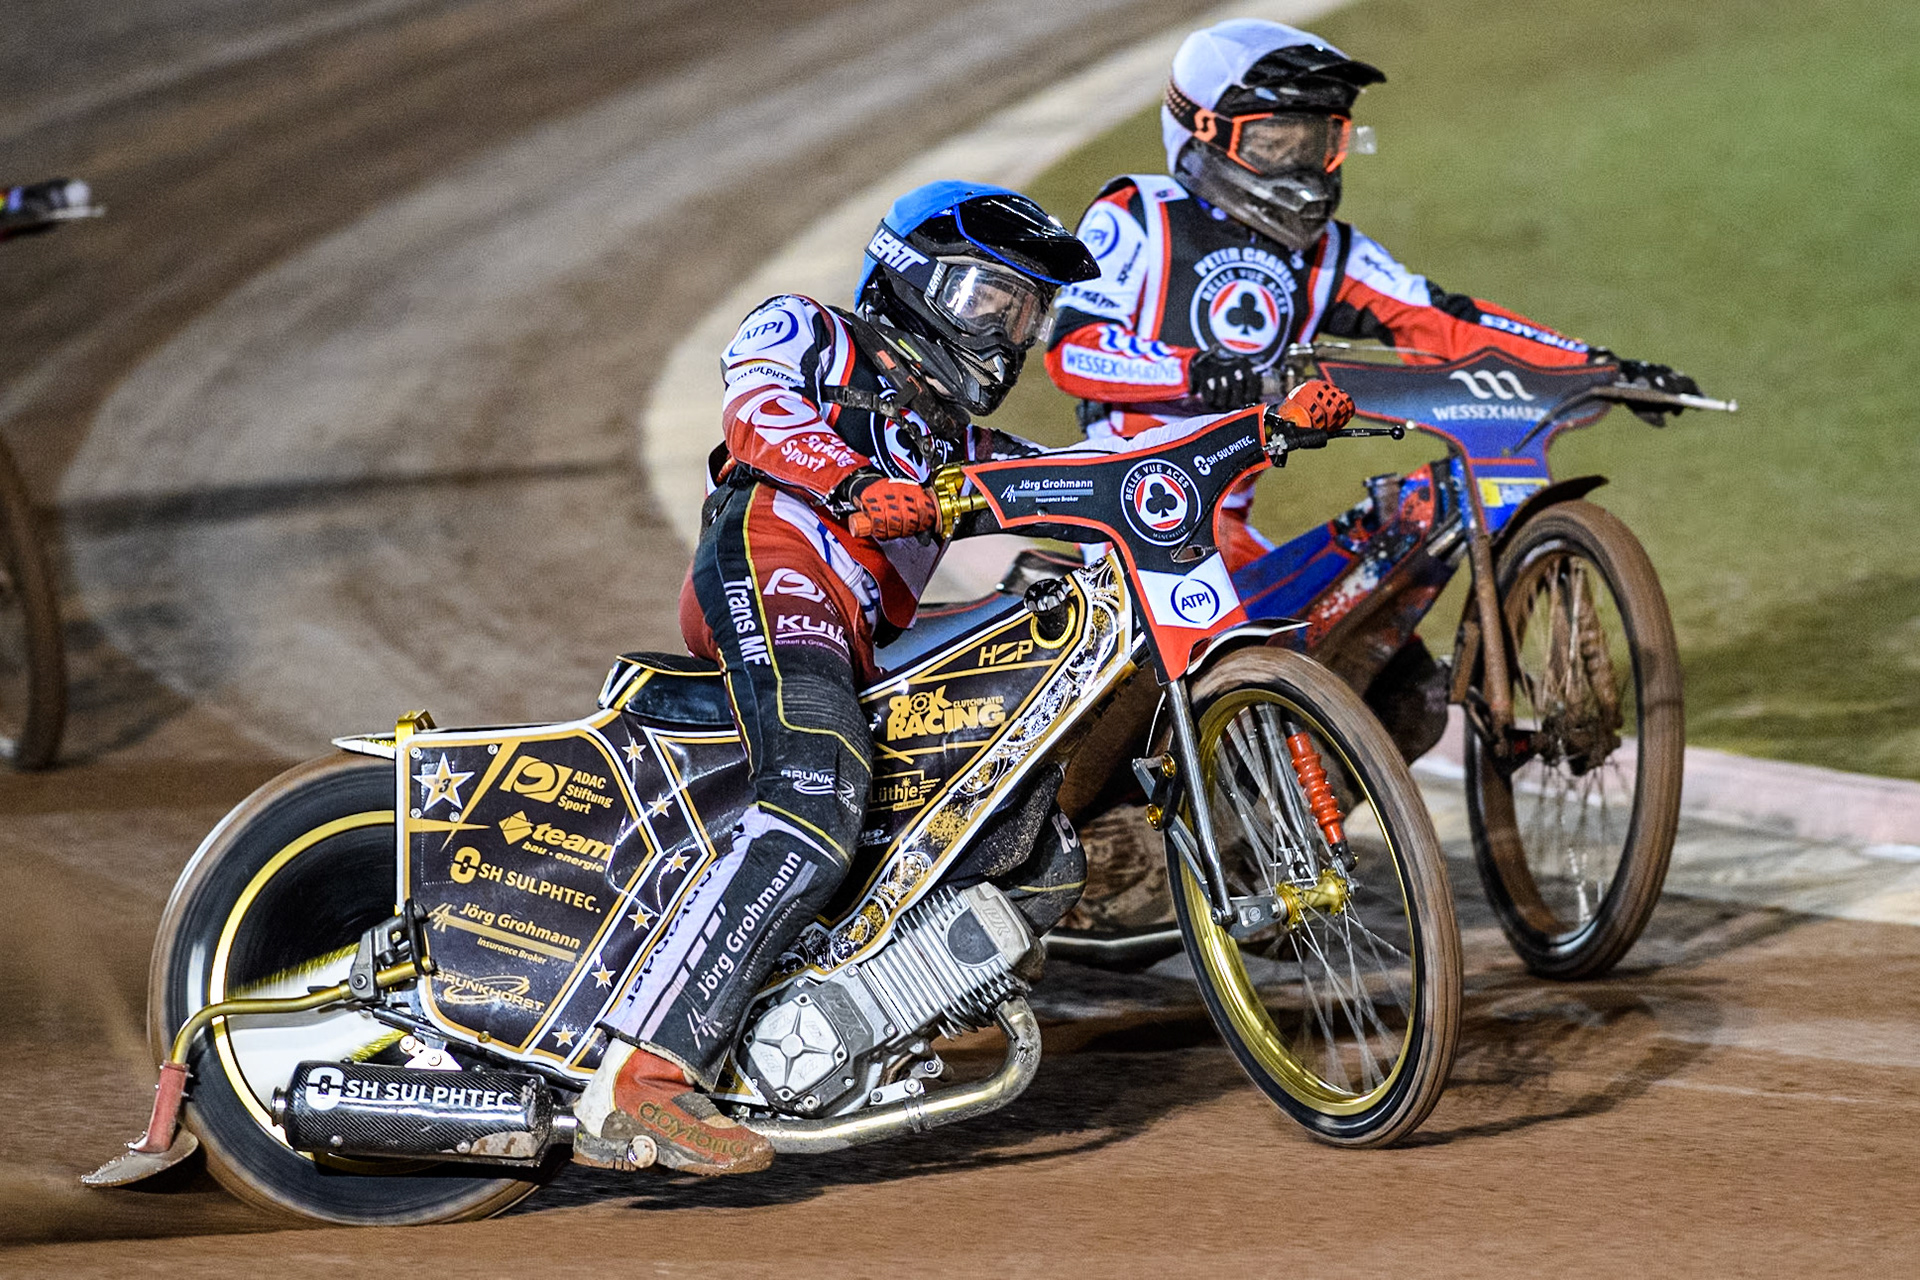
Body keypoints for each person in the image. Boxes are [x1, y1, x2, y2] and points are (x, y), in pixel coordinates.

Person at [571, 181, 1105, 1177]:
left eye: (1027, 309)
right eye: (992, 297)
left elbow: (1094, 469)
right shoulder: (815, 331)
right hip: (772, 560)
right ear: (915, 280)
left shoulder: (961, 445)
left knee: (1016, 796)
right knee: (816, 789)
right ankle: (641, 1076)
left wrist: (1255, 430)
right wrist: (855, 483)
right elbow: (758, 411)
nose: (1010, 328)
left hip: (858, 632)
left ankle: (836, 1014)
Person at [1044, 19, 1699, 571]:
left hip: (1228, 537)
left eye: (1319, 143)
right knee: (1281, 671)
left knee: (1399, 685)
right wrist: (1198, 371)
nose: (1303, 170)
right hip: (1133, 524)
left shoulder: (1332, 251)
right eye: (1278, 143)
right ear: (1206, 130)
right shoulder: (1137, 212)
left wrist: (1598, 367)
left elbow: (1443, 321)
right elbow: (1073, 350)